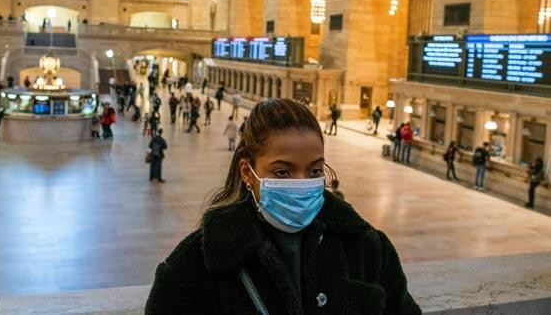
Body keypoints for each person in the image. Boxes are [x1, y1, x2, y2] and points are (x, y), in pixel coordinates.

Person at [145, 99, 420, 314]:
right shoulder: (196, 265)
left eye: (314, 171)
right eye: (283, 173)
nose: (302, 183)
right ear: (246, 172)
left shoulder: (365, 248)